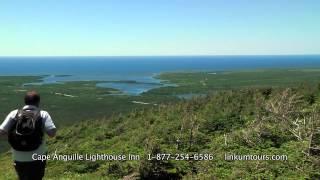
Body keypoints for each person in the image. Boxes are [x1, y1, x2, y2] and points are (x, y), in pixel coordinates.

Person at [0, 91, 57, 180]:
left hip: (18, 156)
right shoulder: (43, 114)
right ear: (38, 102)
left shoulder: (14, 113)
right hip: (38, 156)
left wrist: (14, 135)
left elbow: (1, 131)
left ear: (25, 101)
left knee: (22, 177)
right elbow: (52, 134)